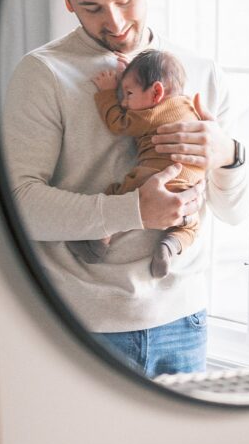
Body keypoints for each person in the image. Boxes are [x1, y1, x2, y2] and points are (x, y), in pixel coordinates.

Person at [3, 0, 249, 378]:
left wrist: (228, 154)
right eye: (92, 7)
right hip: (83, 326)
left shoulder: (200, 70)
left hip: (185, 320)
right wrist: (135, 212)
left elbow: (235, 211)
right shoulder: (43, 75)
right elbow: (19, 205)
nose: (116, 22)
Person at [68, 49, 206, 281]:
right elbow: (143, 89)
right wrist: (129, 79)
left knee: (116, 196)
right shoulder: (188, 108)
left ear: (157, 93)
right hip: (189, 191)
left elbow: (118, 123)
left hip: (153, 178)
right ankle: (169, 247)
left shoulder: (150, 114)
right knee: (191, 225)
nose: (124, 102)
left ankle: (98, 241)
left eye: (128, 93)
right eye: (122, 94)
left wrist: (108, 93)